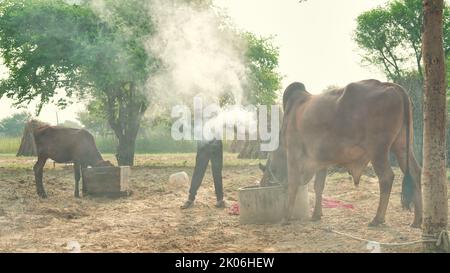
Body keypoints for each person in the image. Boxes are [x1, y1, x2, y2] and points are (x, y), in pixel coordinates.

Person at [181, 138, 225, 209]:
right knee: (198, 171)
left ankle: (220, 199)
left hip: (216, 142)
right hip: (203, 142)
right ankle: (190, 199)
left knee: (217, 172)